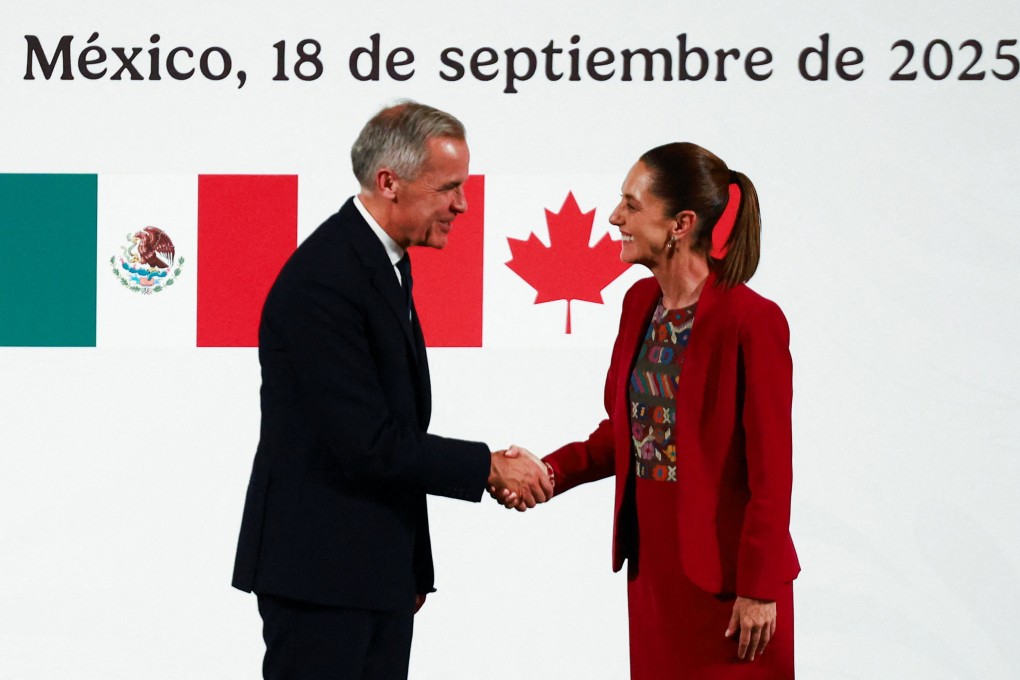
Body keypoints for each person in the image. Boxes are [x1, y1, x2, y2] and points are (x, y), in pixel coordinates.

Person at [232, 100, 552, 680]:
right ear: (390, 183)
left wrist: (407, 570)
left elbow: (395, 433)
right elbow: (368, 442)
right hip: (320, 579)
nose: (462, 204)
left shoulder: (381, 263)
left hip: (368, 574)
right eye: (448, 187)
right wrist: (487, 467)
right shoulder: (324, 280)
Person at [498, 142, 800, 678]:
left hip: (731, 589)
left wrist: (758, 590)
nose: (615, 217)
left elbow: (772, 475)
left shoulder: (753, 321)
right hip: (655, 575)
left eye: (631, 205)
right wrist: (550, 471)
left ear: (681, 223)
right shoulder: (639, 304)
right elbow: (627, 435)